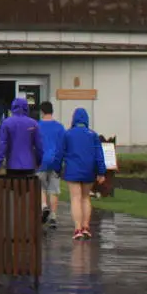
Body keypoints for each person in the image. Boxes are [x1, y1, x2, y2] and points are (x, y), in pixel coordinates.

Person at [61, 107, 106, 241]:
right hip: (89, 170)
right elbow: (99, 155)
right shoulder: (92, 135)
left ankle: (77, 229)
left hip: (73, 170)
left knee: (75, 198)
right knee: (86, 197)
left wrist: (58, 168)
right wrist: (101, 172)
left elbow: (61, 152)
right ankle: (86, 227)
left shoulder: (68, 134)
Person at [37, 101, 67, 228]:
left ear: (42, 112)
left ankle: (44, 206)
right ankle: (53, 216)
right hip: (55, 161)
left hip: (41, 161)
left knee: (41, 187)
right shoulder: (60, 127)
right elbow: (63, 146)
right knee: (54, 190)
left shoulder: (37, 126)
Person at [0, 97, 43, 177]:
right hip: (29, 164)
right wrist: (39, 162)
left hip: (12, 164)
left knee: (13, 188)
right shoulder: (33, 123)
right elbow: (39, 146)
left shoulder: (6, 123)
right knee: (28, 188)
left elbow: (2, 144)